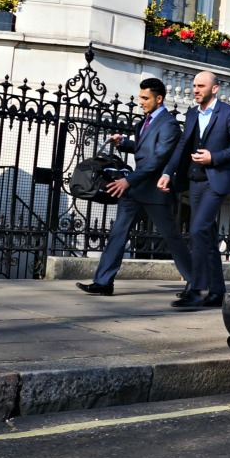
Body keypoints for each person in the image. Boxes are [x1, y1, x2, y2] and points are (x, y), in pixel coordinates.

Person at [77, 78, 192, 296]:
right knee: (118, 233)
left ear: (159, 99)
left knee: (171, 238)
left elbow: (158, 159)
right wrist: (125, 143)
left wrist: (128, 180)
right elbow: (144, 149)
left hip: (155, 192)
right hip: (136, 191)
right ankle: (103, 282)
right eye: (140, 97)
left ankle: (196, 282)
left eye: (145, 98)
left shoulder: (169, 125)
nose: (140, 102)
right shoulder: (144, 122)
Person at [159, 71, 230, 309]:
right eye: (194, 86)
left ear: (215, 89)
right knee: (207, 237)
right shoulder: (192, 114)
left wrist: (214, 157)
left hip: (216, 182)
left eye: (201, 86)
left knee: (198, 229)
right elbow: (182, 145)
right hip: (194, 181)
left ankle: (197, 288)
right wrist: (168, 172)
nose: (196, 90)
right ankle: (217, 292)